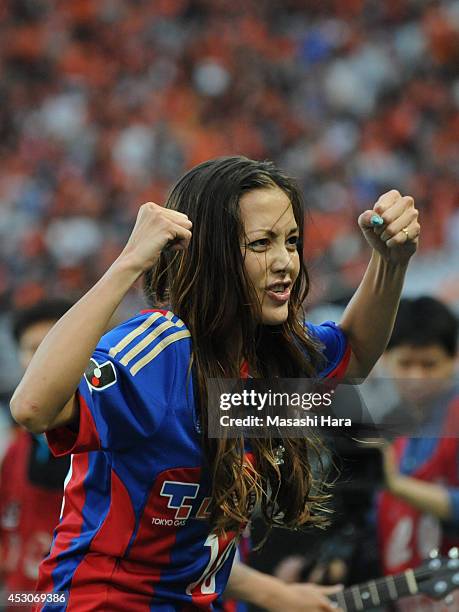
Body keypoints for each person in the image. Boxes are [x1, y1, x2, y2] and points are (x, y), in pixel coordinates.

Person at [10, 156, 420, 611]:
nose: (285, 262)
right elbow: (32, 407)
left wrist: (390, 260)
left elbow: (355, 354)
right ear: (210, 255)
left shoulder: (268, 359)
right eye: (261, 243)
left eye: (292, 241)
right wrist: (129, 262)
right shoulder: (161, 354)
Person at [376, 296, 459, 611]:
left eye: (429, 364)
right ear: (384, 359)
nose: (416, 377)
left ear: (454, 360)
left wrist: (397, 485)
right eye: (406, 363)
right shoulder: (384, 427)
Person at [0, 300, 72, 608]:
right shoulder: (15, 449)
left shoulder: (114, 436)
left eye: (51, 345)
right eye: (32, 349)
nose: (41, 359)